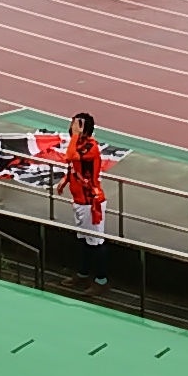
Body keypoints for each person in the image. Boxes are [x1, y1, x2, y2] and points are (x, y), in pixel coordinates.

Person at [64, 111, 108, 290]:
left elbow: (70, 156)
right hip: (80, 201)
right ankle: (82, 274)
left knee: (96, 243)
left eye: (74, 124)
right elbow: (74, 166)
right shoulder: (79, 143)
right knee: (83, 241)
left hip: (91, 203)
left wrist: (75, 135)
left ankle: (101, 281)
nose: (71, 127)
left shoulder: (91, 147)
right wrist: (66, 180)